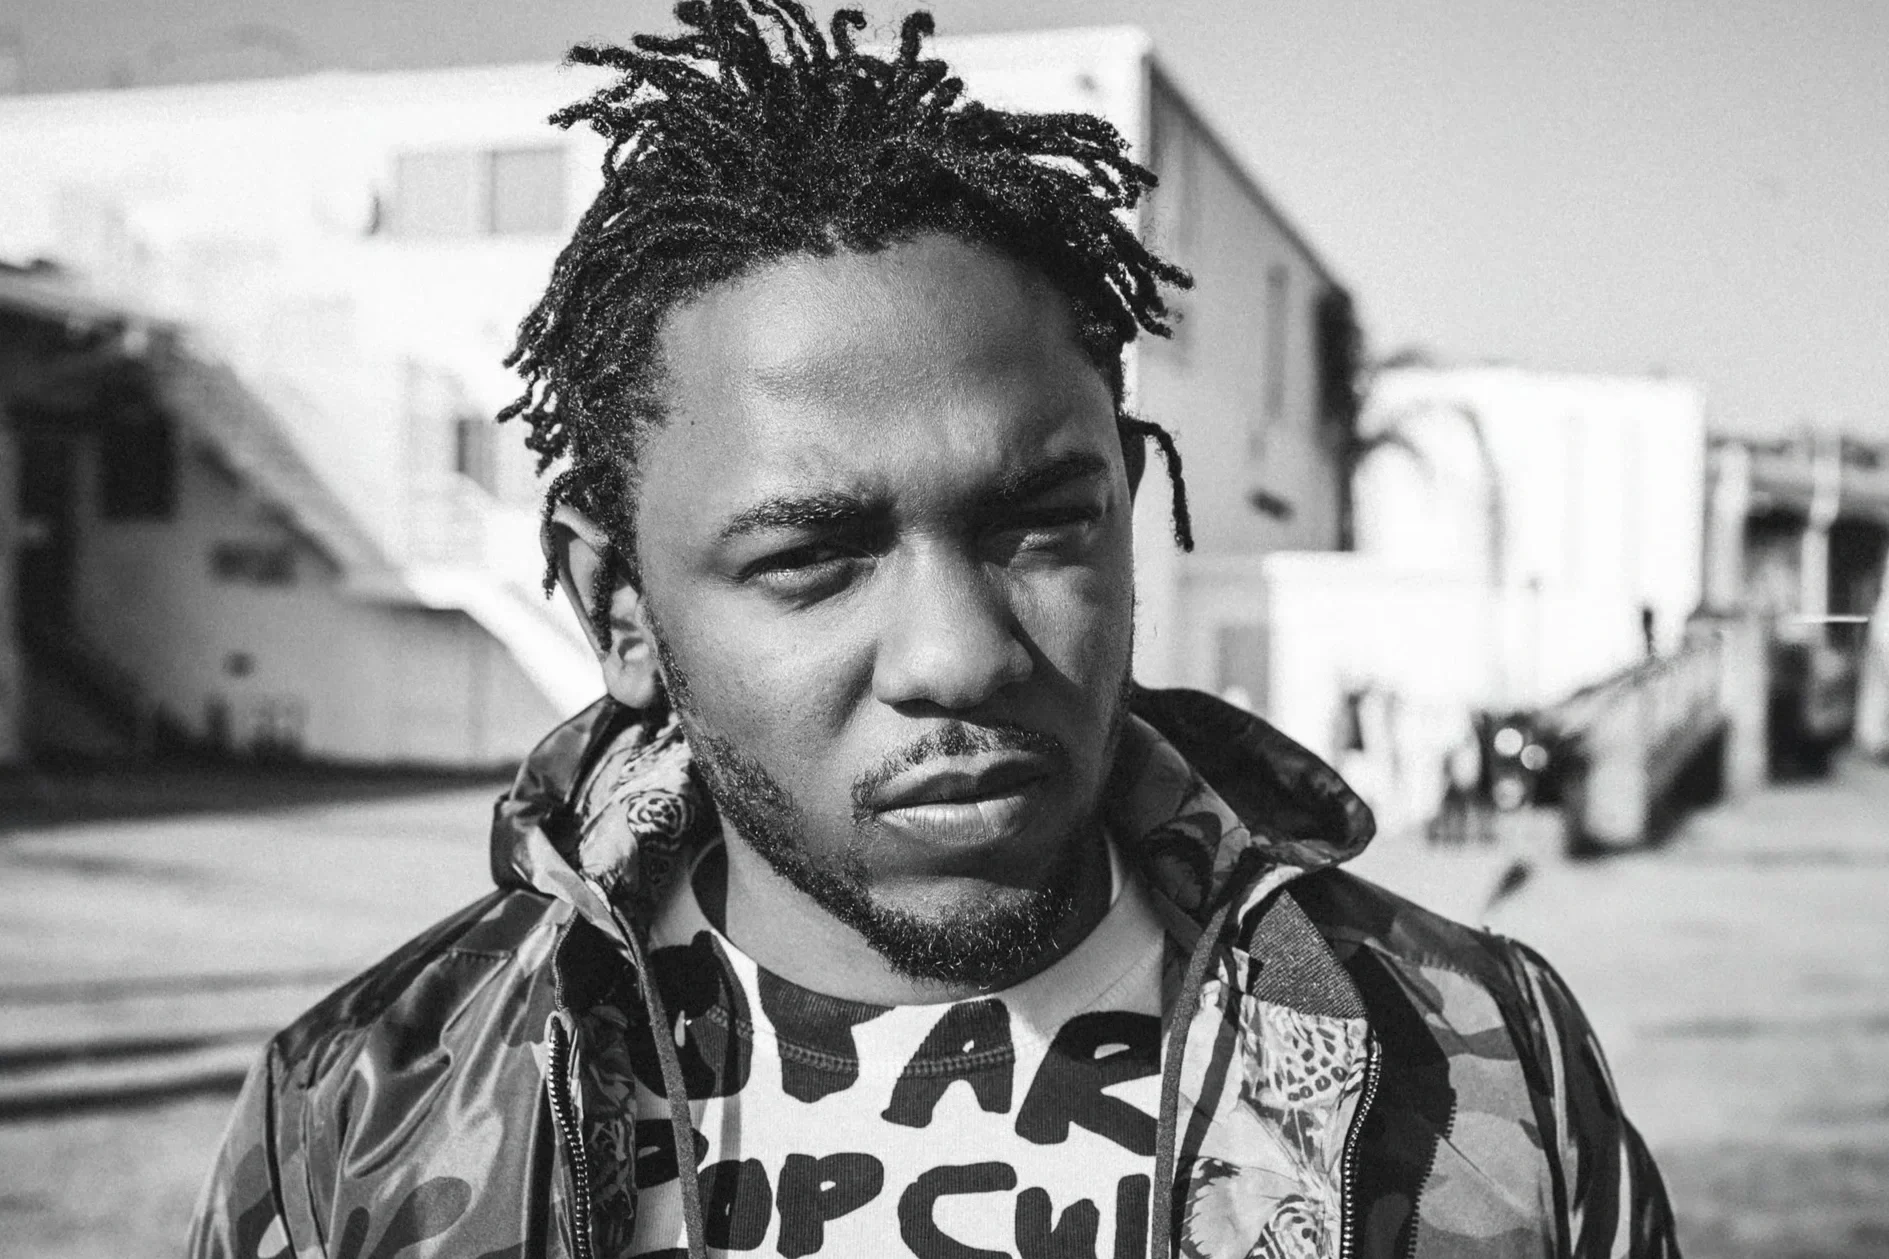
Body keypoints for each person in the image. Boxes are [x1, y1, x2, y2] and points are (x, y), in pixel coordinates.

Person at [189, 4, 1678, 1256]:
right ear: (616, 606)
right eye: (814, 556)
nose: (960, 654)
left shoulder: (1479, 1064)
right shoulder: (363, 1126)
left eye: (1043, 521)